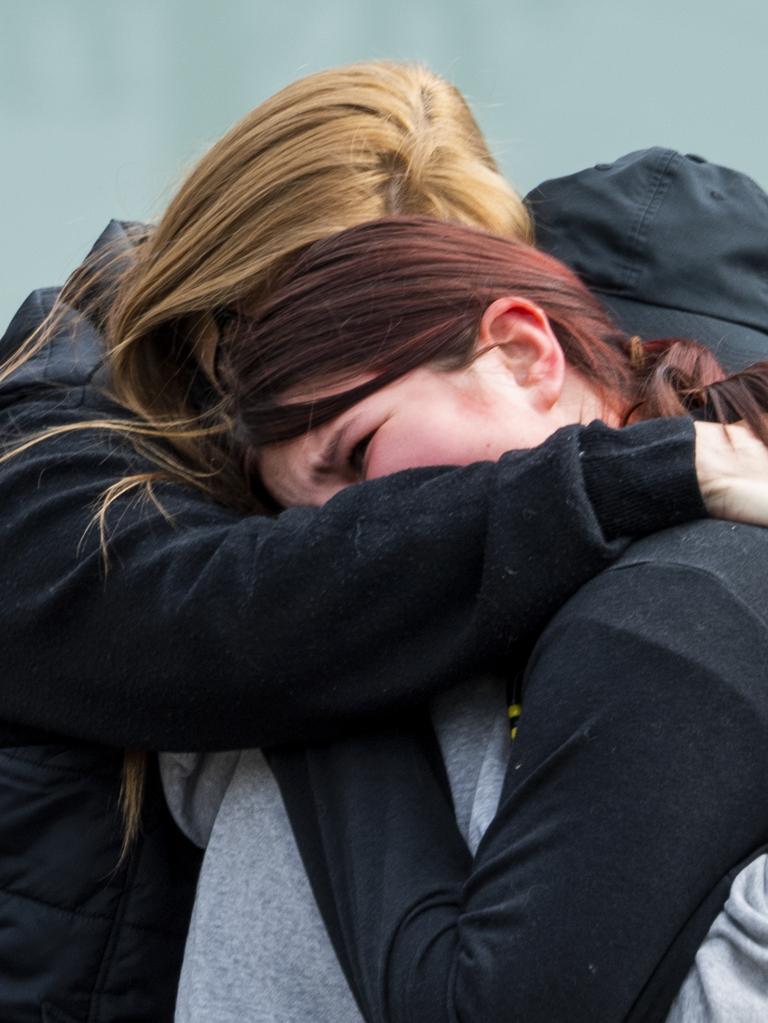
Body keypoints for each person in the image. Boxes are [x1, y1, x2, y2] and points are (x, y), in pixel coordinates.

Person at [1, 63, 742, 1023]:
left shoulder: (646, 586)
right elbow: (233, 614)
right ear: (218, 304)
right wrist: (636, 472)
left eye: (386, 301)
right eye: (300, 316)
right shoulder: (55, 447)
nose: (318, 345)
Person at [217, 211, 768, 1023]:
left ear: (521, 351)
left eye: (360, 453)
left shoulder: (660, 613)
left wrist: (306, 659)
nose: (338, 543)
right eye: (305, 523)